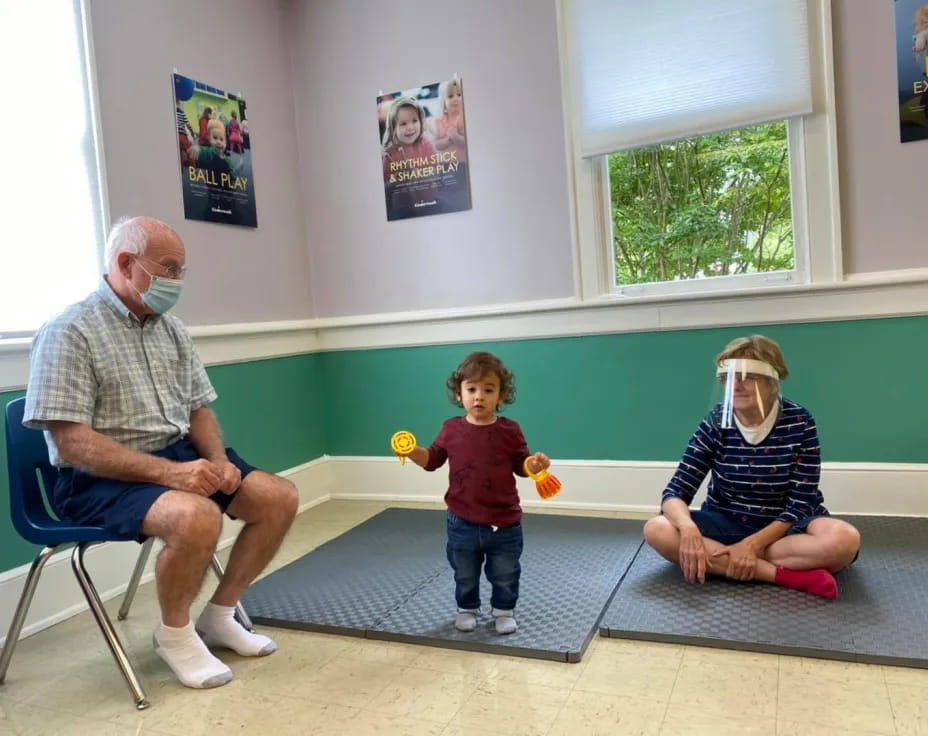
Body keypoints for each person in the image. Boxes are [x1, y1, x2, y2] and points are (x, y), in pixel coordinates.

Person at [23, 216, 298, 689]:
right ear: (126, 264)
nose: (176, 281)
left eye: (181, 270)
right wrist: (172, 475)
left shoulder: (171, 329)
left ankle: (219, 613)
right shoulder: (69, 330)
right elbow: (72, 442)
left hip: (177, 454)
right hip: (94, 477)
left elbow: (199, 411)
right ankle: (175, 635)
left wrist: (218, 461)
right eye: (168, 268)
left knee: (279, 498)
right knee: (196, 517)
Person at [643, 335, 861, 599]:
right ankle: (784, 575)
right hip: (727, 520)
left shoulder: (800, 421)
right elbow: (676, 491)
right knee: (657, 529)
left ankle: (728, 559)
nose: (737, 385)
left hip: (786, 527)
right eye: (729, 378)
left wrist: (752, 545)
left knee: (844, 540)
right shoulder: (715, 421)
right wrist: (688, 529)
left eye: (749, 376)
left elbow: (800, 502)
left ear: (773, 382)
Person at [398, 351, 550, 635]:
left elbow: (521, 464)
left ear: (501, 396)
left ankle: (503, 611)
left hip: (504, 521)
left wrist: (534, 465)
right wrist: (412, 451)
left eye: (488, 390)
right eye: (471, 389)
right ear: (459, 394)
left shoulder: (510, 430)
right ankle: (466, 607)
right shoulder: (451, 428)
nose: (478, 396)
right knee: (464, 572)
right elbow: (432, 459)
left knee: (505, 571)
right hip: (462, 520)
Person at [381, 95, 435, 180]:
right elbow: (385, 185)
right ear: (393, 128)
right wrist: (395, 180)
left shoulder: (426, 144)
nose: (410, 127)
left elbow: (436, 172)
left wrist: (417, 174)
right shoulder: (389, 154)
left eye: (414, 121)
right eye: (403, 124)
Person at [431, 78, 467, 164]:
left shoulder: (465, 118)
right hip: (447, 164)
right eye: (450, 96)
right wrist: (449, 140)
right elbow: (437, 145)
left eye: (459, 95)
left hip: (464, 163)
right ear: (443, 102)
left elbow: (468, 142)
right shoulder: (440, 121)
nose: (455, 99)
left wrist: (456, 137)